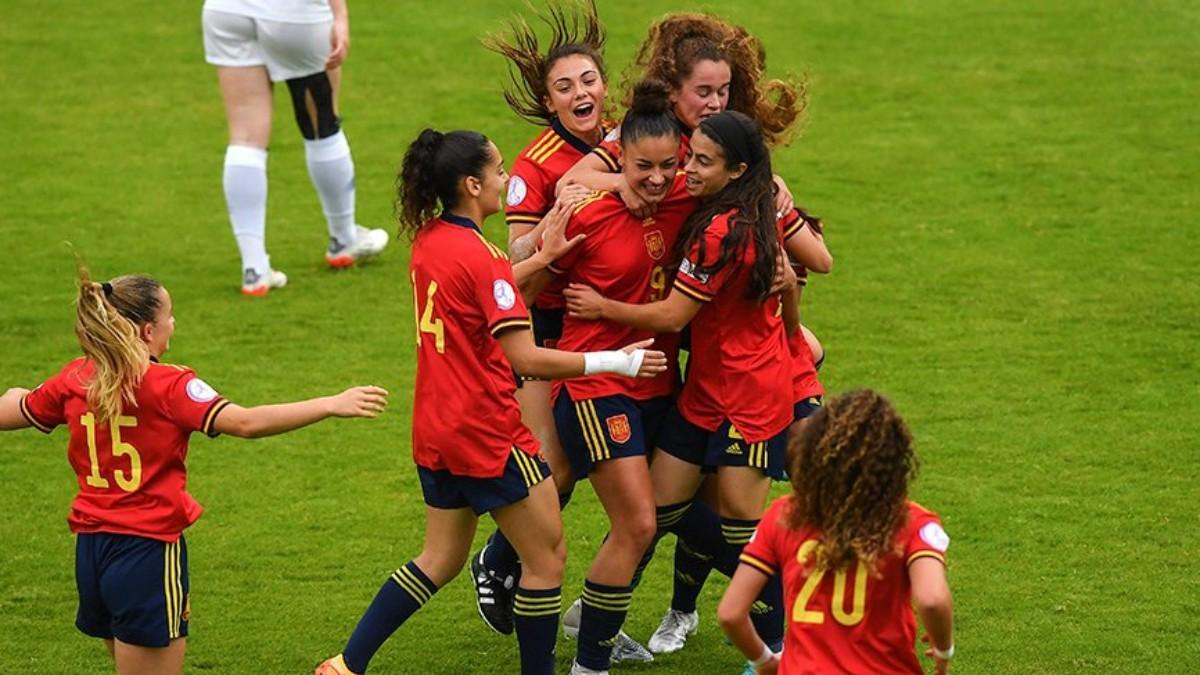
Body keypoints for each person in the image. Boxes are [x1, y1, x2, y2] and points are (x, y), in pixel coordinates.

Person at [314, 128, 667, 675]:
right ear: (473, 184)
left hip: (436, 427)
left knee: (440, 558)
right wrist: (614, 361)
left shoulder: (430, 240)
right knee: (545, 558)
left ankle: (345, 664)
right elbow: (525, 358)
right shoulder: (482, 256)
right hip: (487, 432)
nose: (507, 179)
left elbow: (481, 289)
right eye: (499, 171)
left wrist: (540, 258)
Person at [0, 268, 388, 675]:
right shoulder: (169, 385)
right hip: (146, 553)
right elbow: (246, 422)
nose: (174, 324)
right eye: (169, 316)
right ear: (148, 331)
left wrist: (21, 395)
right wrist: (331, 402)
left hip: (93, 551)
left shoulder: (75, 378)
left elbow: (16, 409)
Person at [565, 110, 796, 669]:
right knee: (653, 515)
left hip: (750, 400)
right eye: (686, 157)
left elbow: (671, 317)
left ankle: (784, 650)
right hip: (702, 392)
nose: (686, 171)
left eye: (700, 161)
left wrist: (600, 307)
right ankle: (592, 642)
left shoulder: (724, 229)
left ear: (737, 170)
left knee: (740, 535)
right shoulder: (728, 208)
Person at [516, 79, 697, 675]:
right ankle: (589, 662)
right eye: (643, 166)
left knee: (684, 513)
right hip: (597, 388)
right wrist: (543, 255)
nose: (656, 178)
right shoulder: (587, 210)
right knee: (638, 523)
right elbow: (517, 284)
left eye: (668, 166)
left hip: (660, 387)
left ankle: (593, 627)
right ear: (618, 159)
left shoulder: (685, 199)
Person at [467, 0, 616, 639]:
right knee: (555, 471)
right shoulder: (534, 168)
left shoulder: (629, 138)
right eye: (565, 87)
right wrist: (557, 223)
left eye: (587, 80)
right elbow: (515, 259)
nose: (580, 93)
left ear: (604, 85)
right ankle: (496, 562)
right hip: (549, 330)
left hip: (619, 324)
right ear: (549, 102)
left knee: (590, 461)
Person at [717, 389, 955, 675]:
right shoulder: (913, 522)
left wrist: (763, 661)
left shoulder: (785, 516)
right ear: (894, 460)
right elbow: (932, 599)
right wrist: (944, 647)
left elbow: (730, 613)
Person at [201, 0, 389, 296]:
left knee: (245, 138)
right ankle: (343, 238)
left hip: (226, 11)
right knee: (322, 126)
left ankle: (254, 269)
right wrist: (340, 14)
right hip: (293, 15)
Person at [560, 12, 804, 219]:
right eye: (704, 92)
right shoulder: (649, 128)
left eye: (723, 90)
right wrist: (620, 184)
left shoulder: (727, 133)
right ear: (673, 90)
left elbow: (823, 261)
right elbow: (570, 180)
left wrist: (769, 182)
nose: (716, 104)